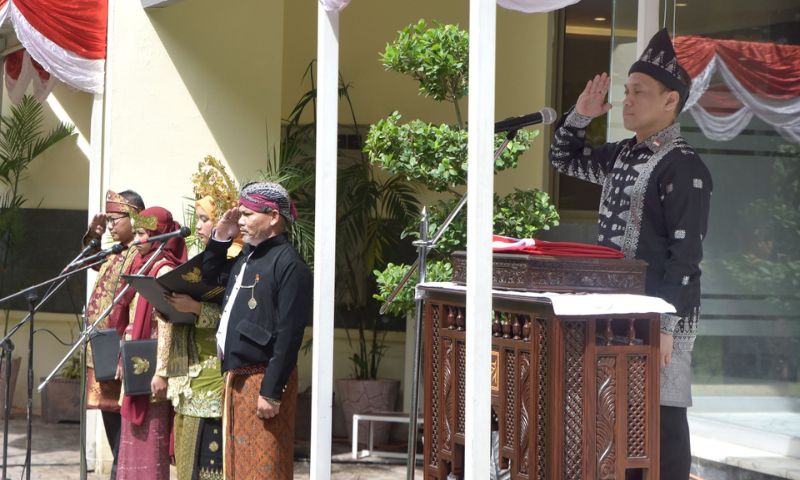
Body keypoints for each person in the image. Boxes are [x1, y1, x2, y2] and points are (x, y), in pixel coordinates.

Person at [549, 28, 712, 479]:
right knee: (614, 417)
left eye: (639, 92)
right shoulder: (624, 154)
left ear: (670, 101)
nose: (627, 100)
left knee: (661, 421)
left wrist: (665, 328)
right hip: (615, 309)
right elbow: (564, 158)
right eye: (626, 91)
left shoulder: (685, 166)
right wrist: (580, 116)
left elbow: (686, 257)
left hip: (660, 317)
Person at [201, 181, 312, 479]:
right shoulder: (247, 257)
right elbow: (210, 276)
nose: (242, 222)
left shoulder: (290, 265)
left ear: (274, 217)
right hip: (238, 379)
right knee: (237, 467)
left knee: (264, 470)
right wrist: (222, 235)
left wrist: (272, 392)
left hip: (264, 382)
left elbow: (289, 334)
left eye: (248, 215)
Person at [162, 159, 242, 480]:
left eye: (207, 219)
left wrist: (196, 309)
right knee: (185, 459)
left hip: (213, 372)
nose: (200, 227)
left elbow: (237, 317)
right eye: (198, 219)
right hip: (187, 373)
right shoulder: (199, 260)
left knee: (208, 460)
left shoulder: (236, 260)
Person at [111, 206, 188, 480]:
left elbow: (167, 326)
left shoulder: (164, 269)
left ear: (158, 235)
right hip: (136, 366)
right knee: (131, 445)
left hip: (152, 372)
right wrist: (122, 357)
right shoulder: (141, 264)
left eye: (143, 233)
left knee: (150, 443)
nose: (136, 239)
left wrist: (160, 371)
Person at [83, 189, 145, 480]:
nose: (110, 226)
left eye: (114, 219)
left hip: (122, 348)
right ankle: (119, 473)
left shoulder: (141, 251)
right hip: (102, 346)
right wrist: (94, 237)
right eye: (107, 220)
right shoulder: (117, 250)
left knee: (123, 421)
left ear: (134, 217)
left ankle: (121, 473)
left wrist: (125, 347)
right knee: (108, 413)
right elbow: (87, 263)